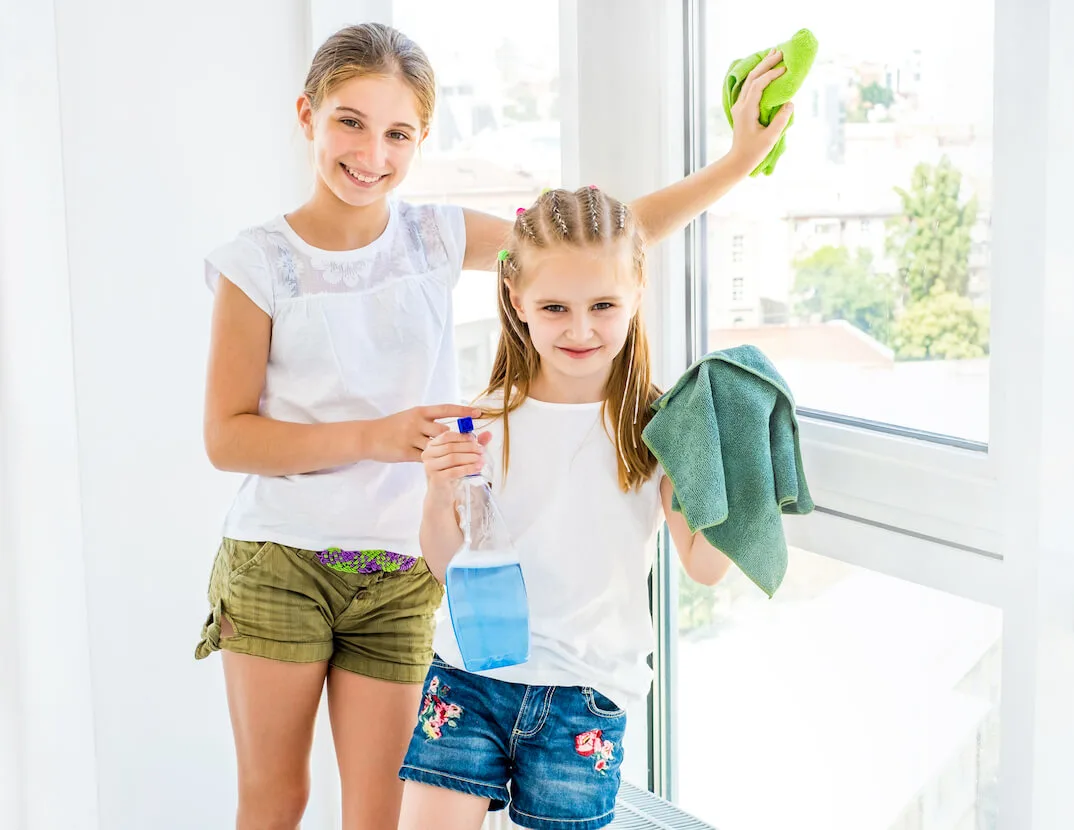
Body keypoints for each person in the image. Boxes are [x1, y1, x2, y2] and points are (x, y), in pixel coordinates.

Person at [195, 21, 791, 830]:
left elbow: (591, 246)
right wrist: (378, 436)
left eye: (397, 132)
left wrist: (734, 164)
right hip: (281, 562)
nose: (372, 153)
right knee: (276, 797)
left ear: (421, 139)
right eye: (350, 122)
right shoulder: (258, 261)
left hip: (406, 575)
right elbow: (228, 438)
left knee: (375, 814)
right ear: (306, 114)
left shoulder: (434, 236)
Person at [399, 186, 735, 830]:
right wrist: (440, 490)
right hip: (470, 678)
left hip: (587, 693)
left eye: (602, 305)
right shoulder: (485, 419)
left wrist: (729, 467)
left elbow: (706, 566)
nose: (580, 329)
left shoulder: (661, 429)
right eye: (555, 307)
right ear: (517, 301)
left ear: (637, 291)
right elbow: (446, 566)